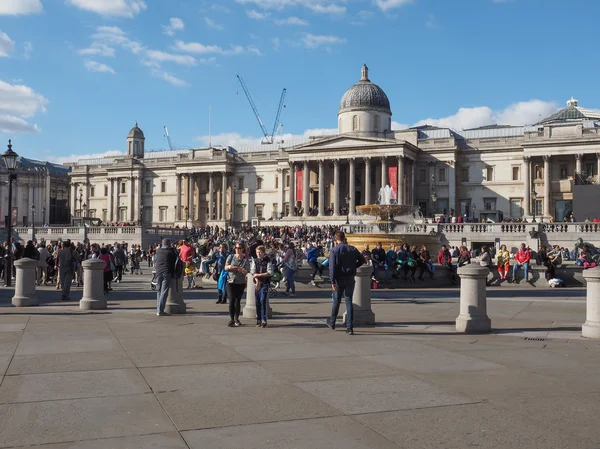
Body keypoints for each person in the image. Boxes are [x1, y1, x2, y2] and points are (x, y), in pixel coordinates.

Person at [325, 231, 366, 335]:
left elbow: (332, 268)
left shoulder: (334, 250)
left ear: (336, 239)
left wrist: (333, 281)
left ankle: (332, 322)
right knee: (348, 301)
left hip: (339, 279)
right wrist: (353, 267)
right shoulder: (352, 248)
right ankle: (350, 327)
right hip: (350, 278)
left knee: (336, 301)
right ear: (344, 238)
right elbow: (362, 260)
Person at [225, 242, 254, 327]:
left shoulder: (245, 260)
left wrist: (242, 270)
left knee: (237, 301)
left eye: (239, 248)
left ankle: (236, 318)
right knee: (231, 300)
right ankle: (231, 319)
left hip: (240, 282)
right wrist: (230, 267)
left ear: (243, 249)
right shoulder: (231, 256)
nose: (237, 249)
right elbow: (225, 267)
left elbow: (247, 271)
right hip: (230, 281)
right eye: (236, 248)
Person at [154, 238, 178, 316]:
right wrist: (173, 248)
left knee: (159, 291)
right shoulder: (171, 251)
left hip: (158, 272)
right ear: (169, 243)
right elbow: (176, 259)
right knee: (164, 291)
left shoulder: (158, 251)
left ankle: (158, 309)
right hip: (166, 272)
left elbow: (155, 260)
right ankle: (160, 310)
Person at [253, 245, 274, 328]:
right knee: (257, 301)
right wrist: (257, 280)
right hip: (257, 283)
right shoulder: (255, 261)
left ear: (263, 253)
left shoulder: (268, 261)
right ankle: (258, 319)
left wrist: (260, 275)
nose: (258, 254)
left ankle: (263, 319)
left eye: (260, 252)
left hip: (265, 283)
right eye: (257, 252)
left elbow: (270, 272)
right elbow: (253, 271)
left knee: (262, 300)